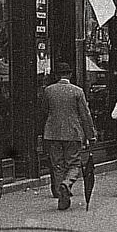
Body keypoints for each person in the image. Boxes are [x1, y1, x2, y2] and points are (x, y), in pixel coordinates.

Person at [41, 63, 96, 211]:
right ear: (70, 74)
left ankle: (61, 196)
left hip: (52, 133)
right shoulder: (77, 91)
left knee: (57, 165)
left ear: (57, 75)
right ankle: (67, 183)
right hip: (72, 133)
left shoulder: (48, 91)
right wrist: (90, 134)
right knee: (74, 164)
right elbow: (85, 115)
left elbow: (44, 111)